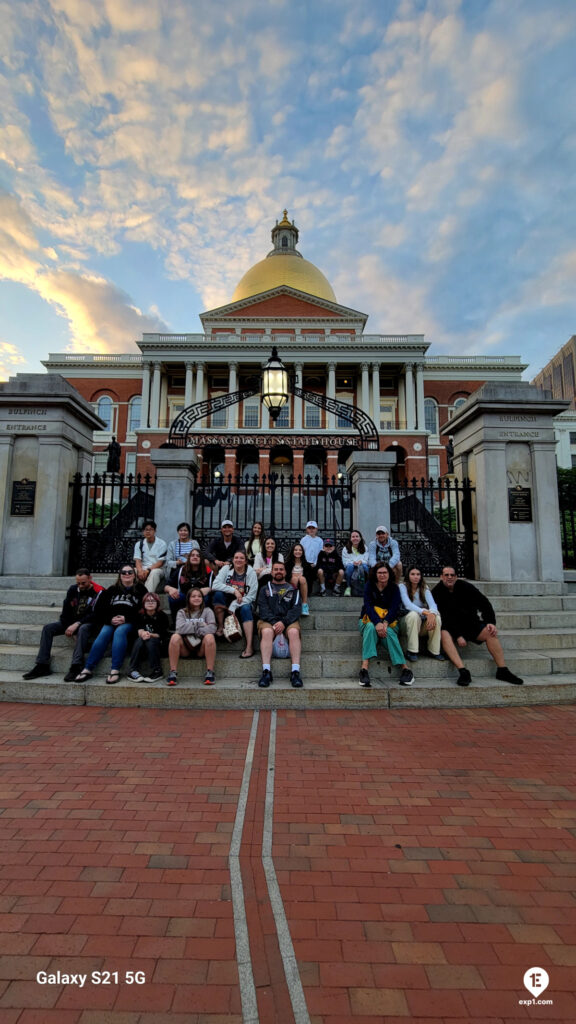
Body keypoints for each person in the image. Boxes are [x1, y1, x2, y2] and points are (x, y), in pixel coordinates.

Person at [432, 567, 523, 687]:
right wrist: (458, 635)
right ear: (441, 577)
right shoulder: (436, 593)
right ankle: (463, 671)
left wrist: (490, 621)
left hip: (471, 624)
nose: (449, 577)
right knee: (443, 633)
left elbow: (483, 602)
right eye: (446, 575)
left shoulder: (466, 587)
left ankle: (502, 670)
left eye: (452, 575)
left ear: (456, 577)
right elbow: (444, 618)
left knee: (490, 632)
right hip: (451, 627)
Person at [22, 569, 105, 682]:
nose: (80, 586)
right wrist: (70, 626)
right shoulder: (72, 589)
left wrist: (77, 624)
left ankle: (76, 666)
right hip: (71, 624)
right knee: (48, 628)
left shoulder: (99, 592)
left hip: (90, 624)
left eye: (83, 583)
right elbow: (65, 613)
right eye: (78, 583)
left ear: (90, 579)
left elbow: (96, 615)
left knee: (83, 628)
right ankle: (42, 665)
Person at [75, 566, 146, 684]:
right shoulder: (111, 590)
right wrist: (110, 619)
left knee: (119, 631)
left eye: (130, 572)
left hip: (129, 622)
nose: (127, 574)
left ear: (134, 575)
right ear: (120, 575)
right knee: (104, 633)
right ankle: (88, 668)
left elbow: (144, 610)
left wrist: (126, 618)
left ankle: (115, 669)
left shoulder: (141, 590)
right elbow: (100, 609)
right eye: (123, 572)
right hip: (111, 621)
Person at [358, 563, 415, 688]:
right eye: (380, 573)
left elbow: (394, 608)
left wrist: (384, 623)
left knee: (388, 632)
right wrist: (377, 622)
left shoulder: (394, 588)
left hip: (389, 622)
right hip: (368, 620)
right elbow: (368, 606)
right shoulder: (369, 586)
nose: (382, 575)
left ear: (389, 574)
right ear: (375, 574)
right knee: (370, 628)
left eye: (385, 573)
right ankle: (364, 669)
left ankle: (405, 669)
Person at [257, 561, 303, 688]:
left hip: (288, 620)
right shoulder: (264, 589)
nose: (278, 571)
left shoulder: (293, 589)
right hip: (268, 620)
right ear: (271, 572)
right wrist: (274, 622)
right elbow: (263, 608)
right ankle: (266, 671)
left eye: (281, 569)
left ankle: (295, 672)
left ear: (285, 572)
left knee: (293, 632)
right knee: (267, 632)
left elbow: (296, 609)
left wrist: (284, 622)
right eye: (275, 569)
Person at [211, 550, 258, 657]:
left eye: (242, 558)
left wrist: (234, 605)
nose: (238, 560)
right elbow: (215, 585)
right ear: (233, 560)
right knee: (218, 594)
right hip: (226, 601)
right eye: (236, 557)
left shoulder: (251, 572)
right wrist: (234, 591)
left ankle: (249, 646)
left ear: (246, 561)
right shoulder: (226, 569)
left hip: (244, 602)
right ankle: (220, 626)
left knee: (246, 609)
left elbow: (251, 596)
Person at [166, 588, 217, 687]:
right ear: (188, 598)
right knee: (175, 637)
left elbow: (212, 628)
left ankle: (210, 671)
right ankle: (173, 672)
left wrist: (190, 627)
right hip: (185, 647)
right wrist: (200, 624)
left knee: (210, 637)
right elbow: (180, 629)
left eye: (199, 596)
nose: (197, 598)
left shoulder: (207, 611)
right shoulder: (182, 612)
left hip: (201, 648)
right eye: (193, 596)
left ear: (202, 598)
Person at [399, 566, 444, 662]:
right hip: (405, 624)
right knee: (413, 614)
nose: (416, 577)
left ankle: (434, 650)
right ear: (408, 575)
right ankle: (412, 651)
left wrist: (432, 614)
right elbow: (408, 605)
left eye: (418, 574)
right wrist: (425, 612)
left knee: (436, 617)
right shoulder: (402, 587)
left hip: (420, 625)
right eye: (413, 574)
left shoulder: (424, 588)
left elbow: (433, 605)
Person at [128, 593, 170, 683]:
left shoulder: (162, 616)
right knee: (140, 639)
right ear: (143, 603)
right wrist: (143, 633)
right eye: (147, 601)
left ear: (157, 603)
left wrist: (150, 635)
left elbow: (162, 634)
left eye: (153, 601)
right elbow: (138, 630)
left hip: (157, 647)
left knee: (151, 640)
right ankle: (133, 670)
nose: (150, 603)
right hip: (141, 647)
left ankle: (157, 670)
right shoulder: (139, 615)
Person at [164, 548, 213, 624]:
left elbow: (217, 586)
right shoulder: (181, 570)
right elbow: (166, 585)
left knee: (207, 598)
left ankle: (203, 622)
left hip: (201, 598)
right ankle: (177, 623)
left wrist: (209, 589)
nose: (195, 557)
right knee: (173, 597)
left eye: (198, 556)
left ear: (201, 559)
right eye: (192, 555)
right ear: (189, 558)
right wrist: (170, 589)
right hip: (185, 597)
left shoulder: (208, 571)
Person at [134, 520, 168, 593]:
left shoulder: (162, 544)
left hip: (157, 569)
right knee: (132, 571)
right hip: (143, 568)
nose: (148, 532)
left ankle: (147, 595)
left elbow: (160, 562)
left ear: (155, 531)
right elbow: (138, 560)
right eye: (146, 530)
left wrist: (148, 570)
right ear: (143, 531)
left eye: (150, 529)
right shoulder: (139, 544)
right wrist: (140, 571)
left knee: (154, 573)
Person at [284, 542, 311, 615]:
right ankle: (292, 602)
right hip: (291, 585)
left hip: (303, 585)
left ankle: (304, 604)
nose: (298, 552)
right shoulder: (287, 564)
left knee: (302, 579)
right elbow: (286, 577)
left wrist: (300, 576)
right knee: (294, 579)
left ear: (302, 552)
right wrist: (294, 576)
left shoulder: (306, 564)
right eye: (295, 550)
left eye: (300, 550)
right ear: (292, 551)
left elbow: (309, 578)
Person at [342, 529, 369, 596]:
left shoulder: (365, 548)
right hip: (351, 567)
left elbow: (367, 560)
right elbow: (345, 562)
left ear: (360, 538)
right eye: (353, 537)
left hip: (361, 567)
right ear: (350, 539)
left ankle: (366, 587)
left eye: (357, 536)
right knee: (349, 567)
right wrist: (352, 563)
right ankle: (348, 587)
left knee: (365, 567)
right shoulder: (345, 549)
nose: (355, 538)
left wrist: (361, 562)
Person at [299, 521, 323, 588]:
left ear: (316, 529)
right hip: (306, 563)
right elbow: (301, 552)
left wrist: (315, 563)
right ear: (307, 529)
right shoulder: (303, 540)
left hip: (316, 563)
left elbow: (320, 553)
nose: (311, 530)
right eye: (309, 528)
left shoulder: (319, 540)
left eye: (313, 528)